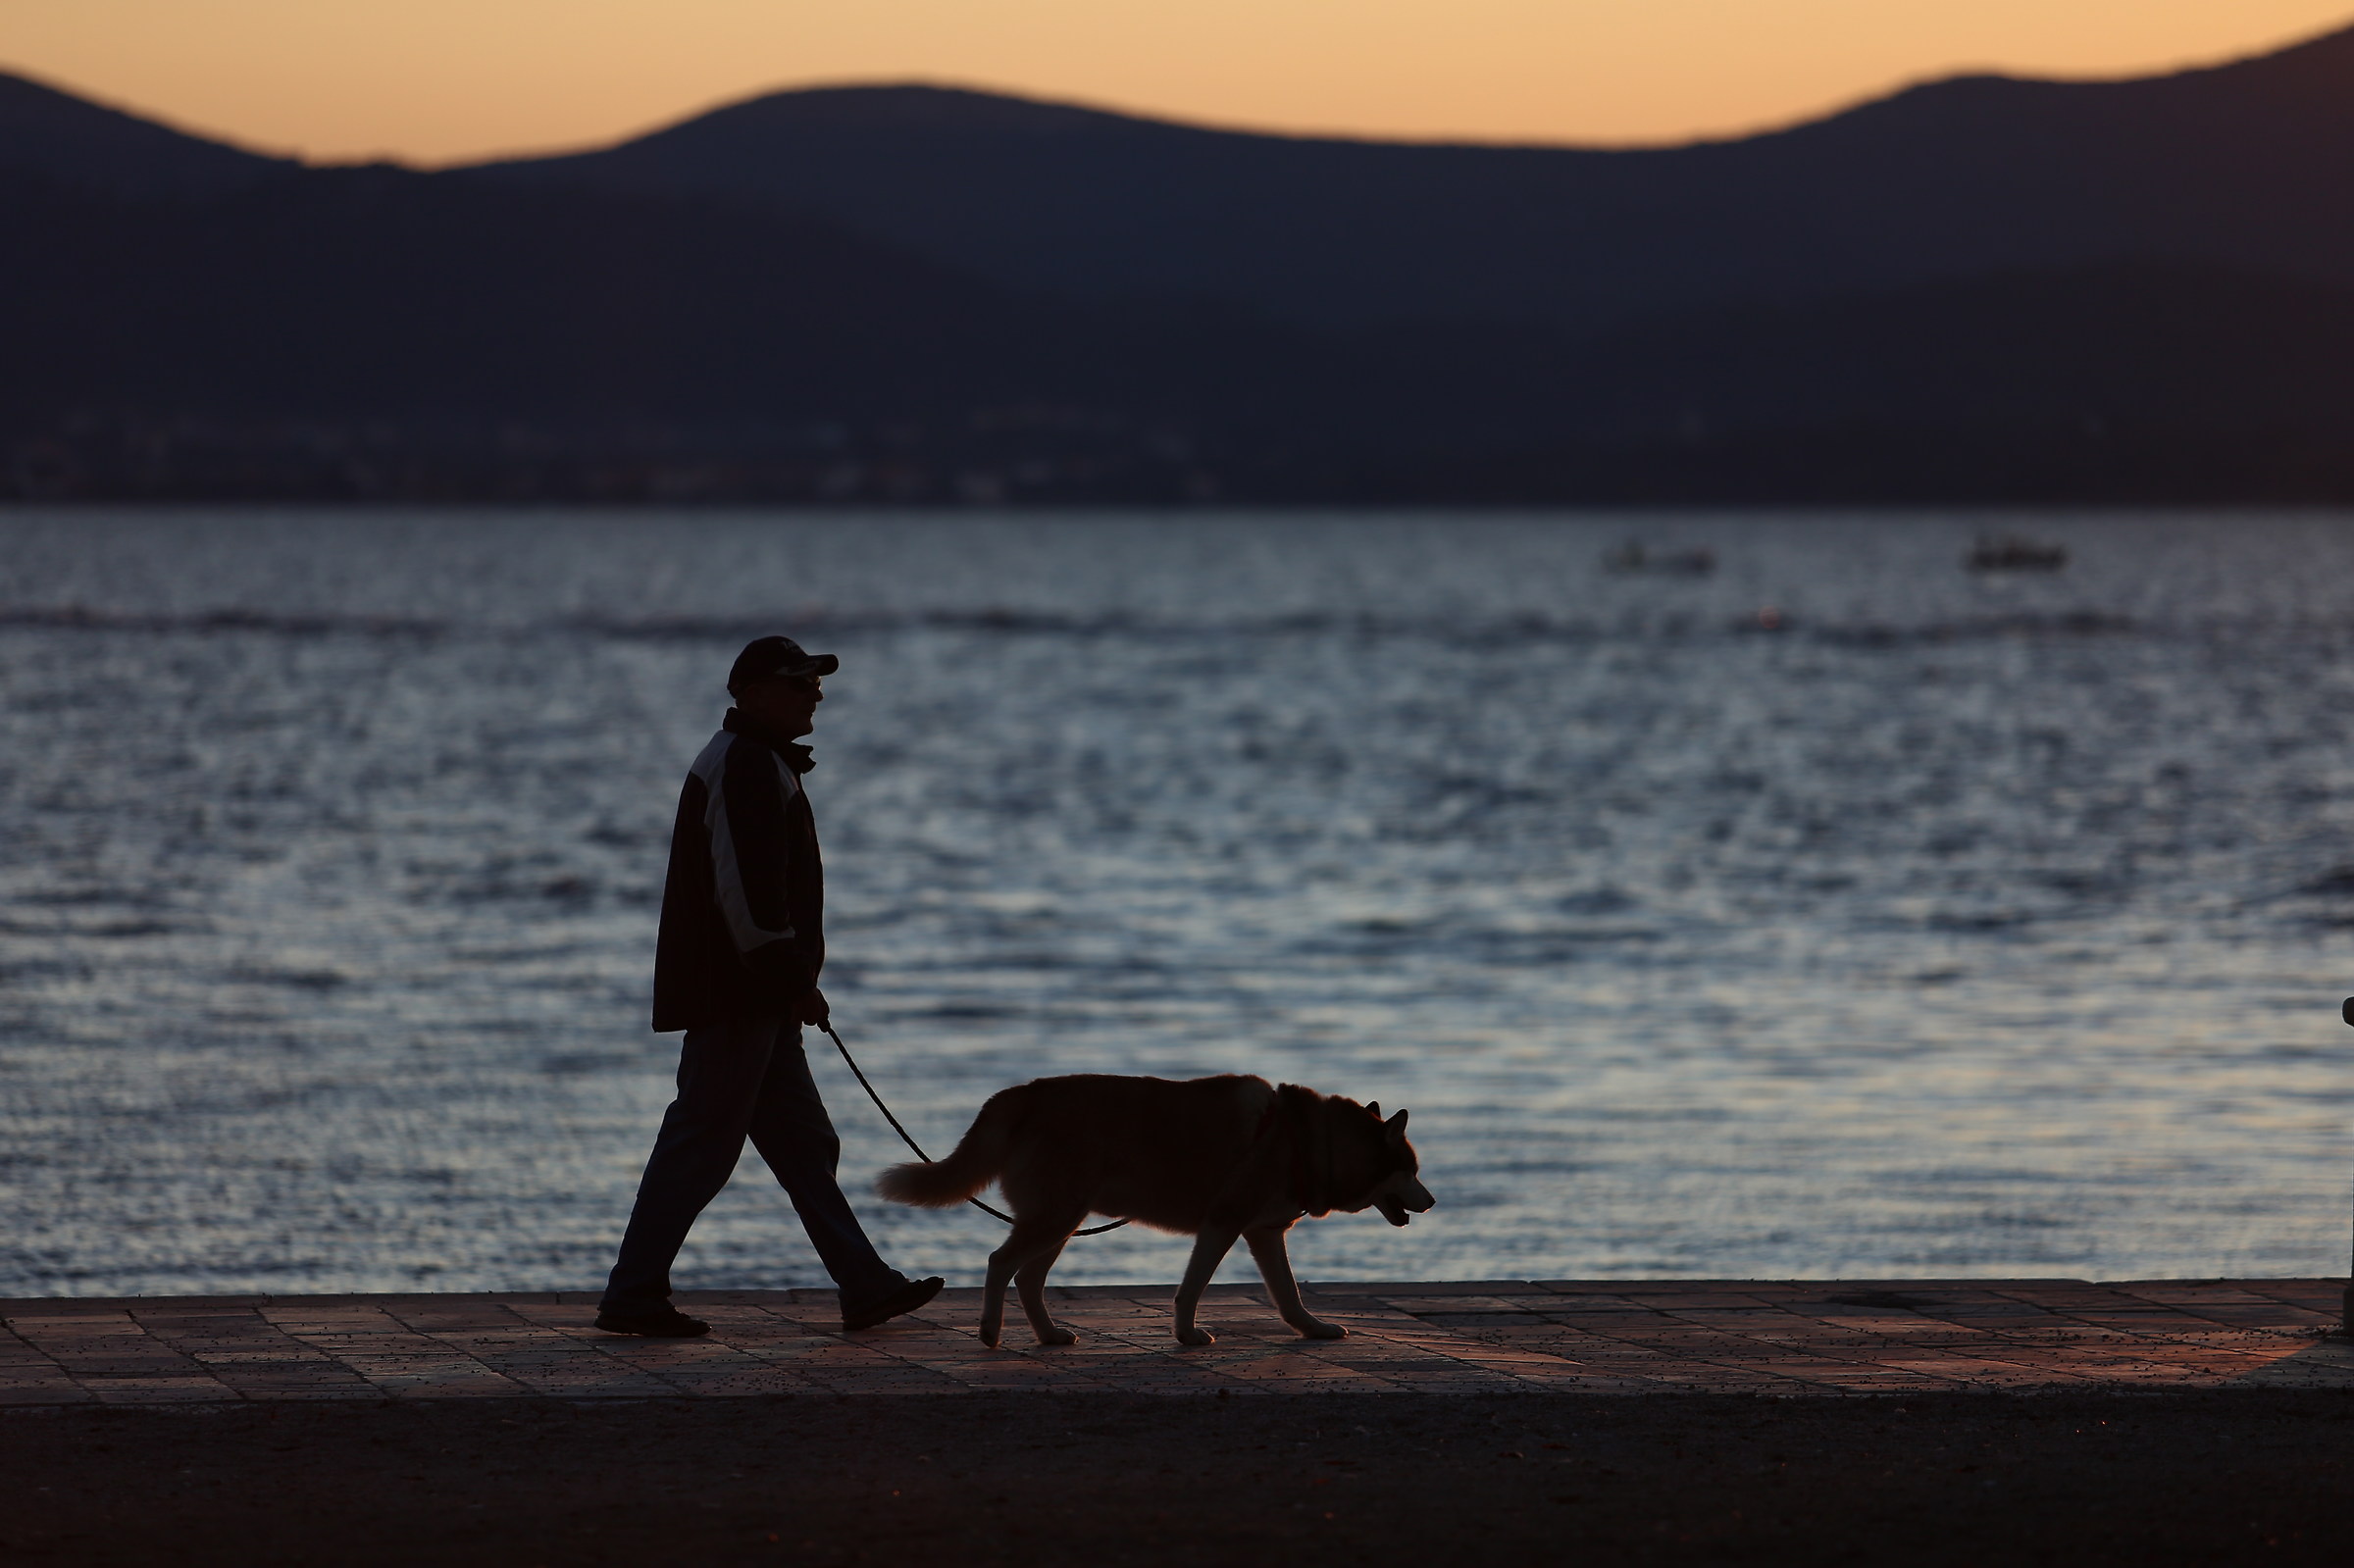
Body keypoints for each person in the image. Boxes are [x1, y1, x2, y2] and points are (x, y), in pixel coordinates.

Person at [595, 635, 943, 1337]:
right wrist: (793, 979)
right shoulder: (746, 766)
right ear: (752, 694)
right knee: (700, 1144)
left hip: (758, 995)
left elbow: (751, 900)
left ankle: (865, 1284)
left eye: (814, 683)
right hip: (741, 995)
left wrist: (789, 983)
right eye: (798, 683)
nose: (814, 693)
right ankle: (633, 1292)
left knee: (802, 1143)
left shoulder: (756, 762)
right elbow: (749, 904)